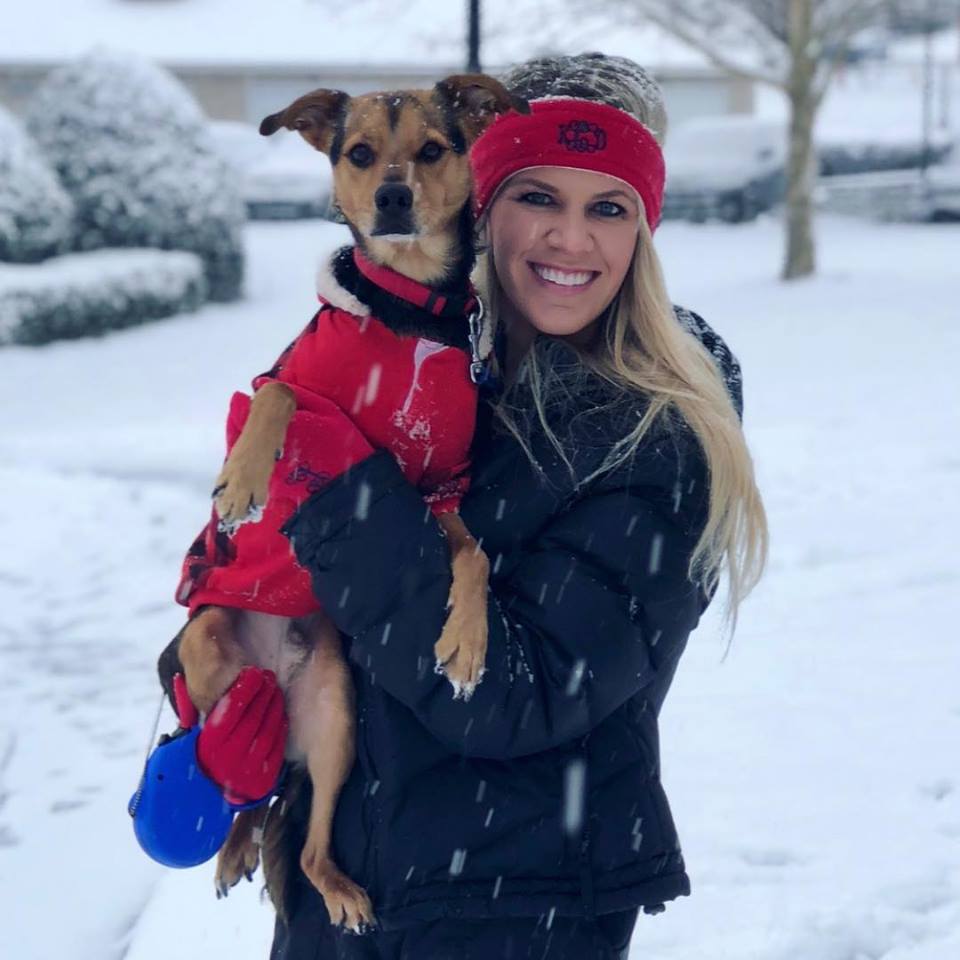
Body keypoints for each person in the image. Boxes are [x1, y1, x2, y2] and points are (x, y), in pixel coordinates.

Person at [155, 52, 767, 959]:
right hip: (344, 889)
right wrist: (210, 670)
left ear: (645, 232)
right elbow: (269, 568)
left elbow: (507, 699)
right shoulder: (425, 360)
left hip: (516, 909)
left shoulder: (657, 432)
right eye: (536, 197)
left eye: (609, 208)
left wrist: (341, 490)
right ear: (481, 196)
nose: (570, 238)